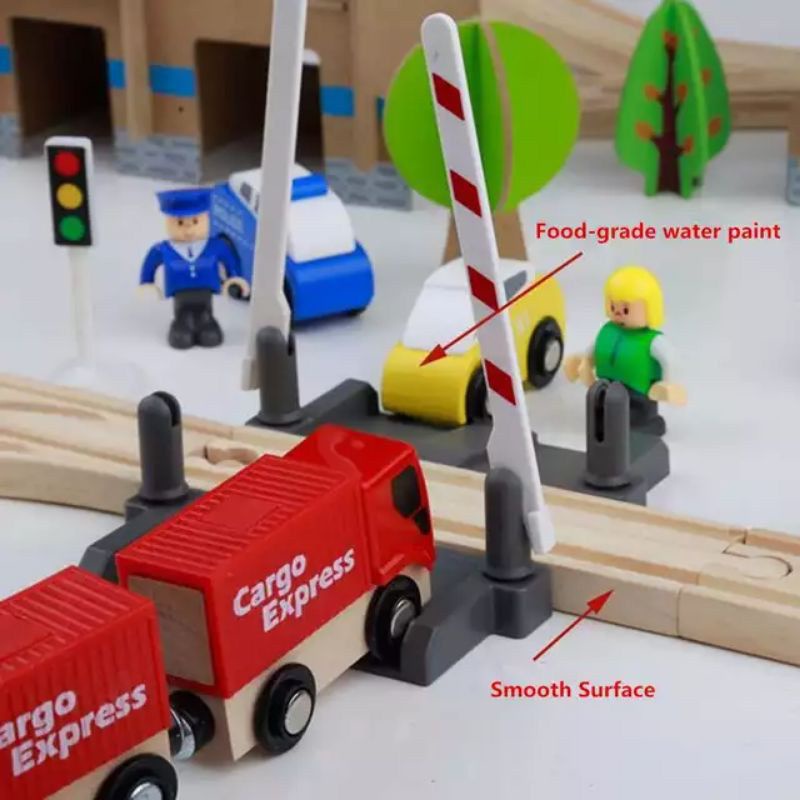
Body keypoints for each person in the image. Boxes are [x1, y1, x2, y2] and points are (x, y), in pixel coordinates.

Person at [564, 265, 686, 435]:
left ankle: (638, 428)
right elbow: (596, 349)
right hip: (607, 386)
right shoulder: (609, 332)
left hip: (638, 392)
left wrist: (668, 383)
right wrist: (585, 362)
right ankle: (609, 426)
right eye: (613, 306)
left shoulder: (652, 341)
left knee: (634, 416)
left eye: (626, 309)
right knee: (602, 408)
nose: (618, 313)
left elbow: (670, 359)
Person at [139, 188, 249, 349]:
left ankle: (206, 322)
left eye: (195, 222)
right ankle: (182, 324)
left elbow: (230, 261)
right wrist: (147, 283)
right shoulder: (163, 250)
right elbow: (150, 265)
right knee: (182, 334)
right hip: (180, 296)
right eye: (180, 223)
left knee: (210, 332)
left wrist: (234, 278)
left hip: (206, 295)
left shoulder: (216, 246)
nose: (188, 230)